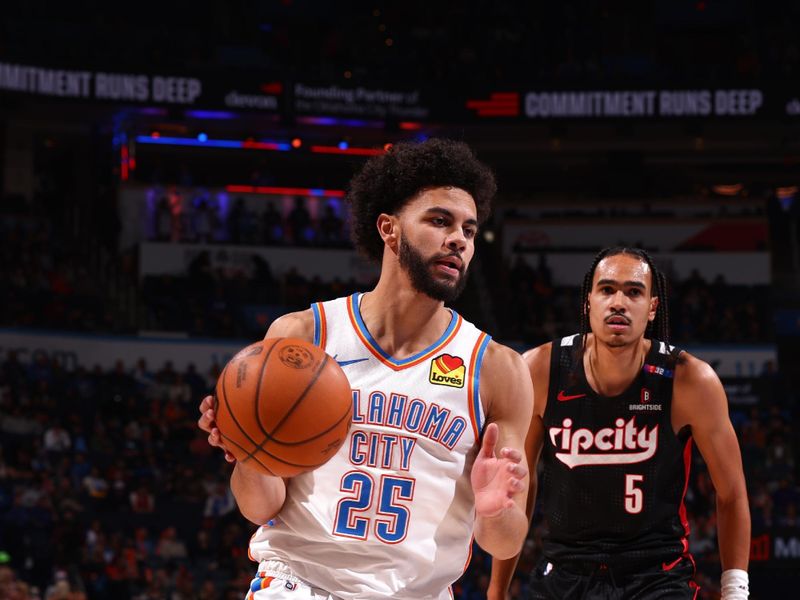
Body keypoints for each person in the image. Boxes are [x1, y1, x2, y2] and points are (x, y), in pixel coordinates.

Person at [198, 138, 533, 599]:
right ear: (389, 229)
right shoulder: (304, 335)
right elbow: (261, 507)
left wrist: (495, 512)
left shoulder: (498, 368)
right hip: (301, 581)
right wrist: (250, 453)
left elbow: (507, 540)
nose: (459, 238)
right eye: (439, 221)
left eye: (469, 230)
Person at [489, 247, 751, 600]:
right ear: (588, 302)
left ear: (653, 307)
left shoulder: (690, 380)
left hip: (656, 574)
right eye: (607, 290)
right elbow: (521, 482)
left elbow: (731, 492)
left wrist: (735, 591)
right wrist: (497, 589)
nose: (618, 302)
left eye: (634, 292)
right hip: (565, 571)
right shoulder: (538, 370)